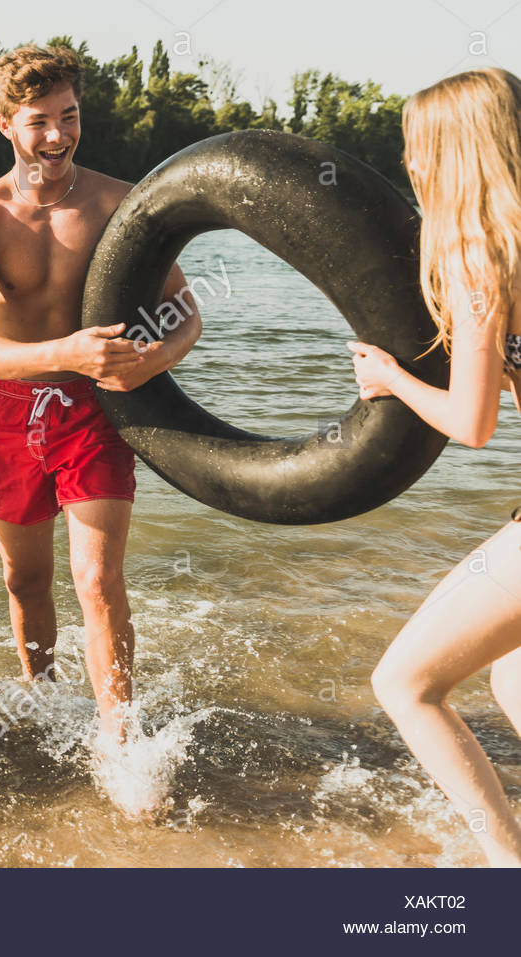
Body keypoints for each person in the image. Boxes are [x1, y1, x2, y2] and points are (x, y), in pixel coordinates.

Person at [0, 45, 202, 744]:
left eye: (69, 116)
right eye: (38, 122)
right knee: (25, 582)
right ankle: (43, 704)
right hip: (10, 413)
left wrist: (158, 358)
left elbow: (185, 307)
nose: (57, 136)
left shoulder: (121, 201)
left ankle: (121, 741)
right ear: (4, 123)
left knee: (96, 578)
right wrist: (65, 350)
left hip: (96, 410)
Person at [349, 67, 521, 867]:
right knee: (512, 682)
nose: (412, 162)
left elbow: (472, 421)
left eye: (418, 146)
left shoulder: (480, 254)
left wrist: (390, 379)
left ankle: (505, 867)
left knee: (405, 684)